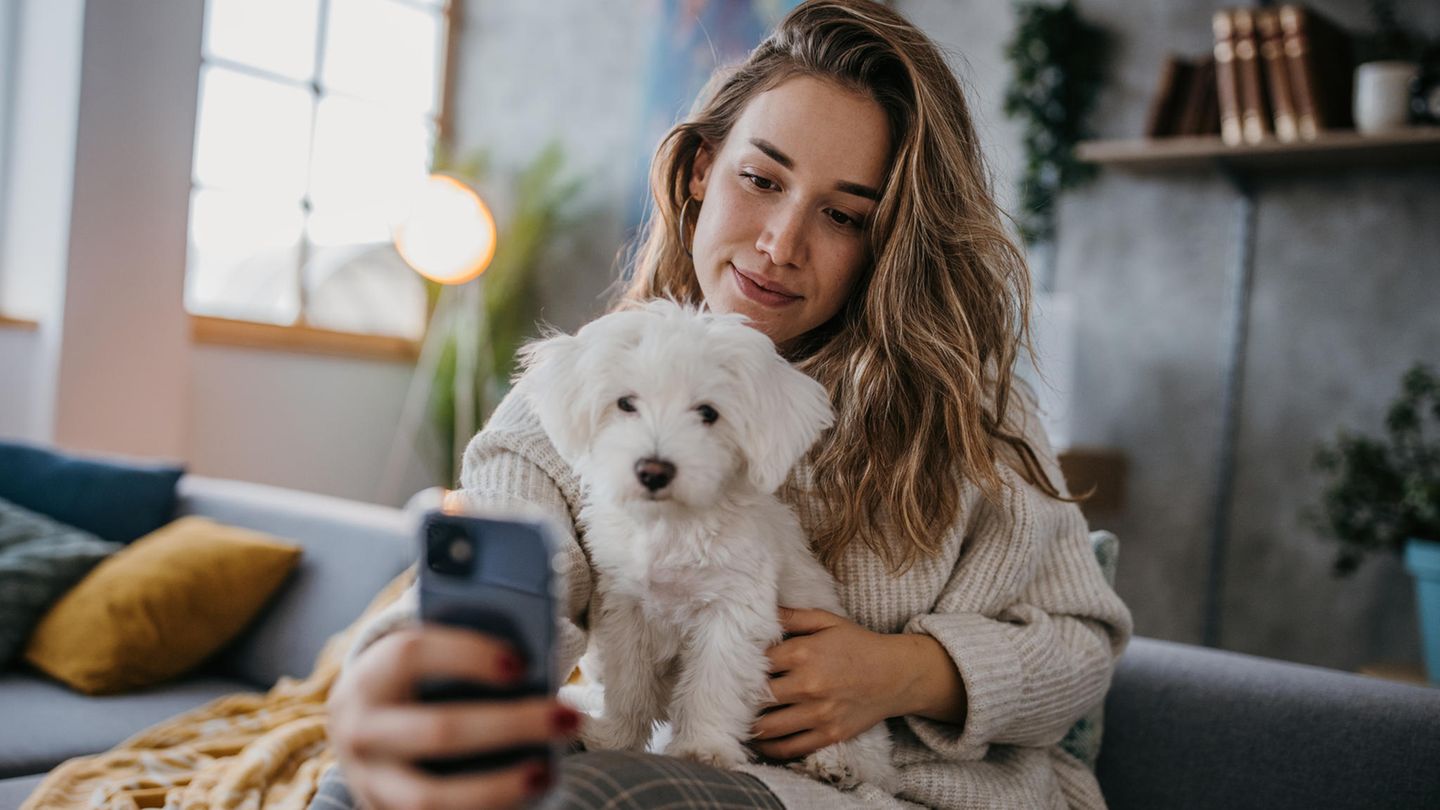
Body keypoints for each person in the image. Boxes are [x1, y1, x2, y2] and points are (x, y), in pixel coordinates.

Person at [321, 1, 1133, 808]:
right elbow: (503, 569)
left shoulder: (970, 409)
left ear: (886, 238)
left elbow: (1080, 648)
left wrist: (905, 673)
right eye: (761, 179)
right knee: (367, 788)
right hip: (673, 762)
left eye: (844, 215)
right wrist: (406, 675)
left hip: (907, 793)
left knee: (595, 799)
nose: (782, 243)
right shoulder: (591, 390)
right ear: (704, 168)